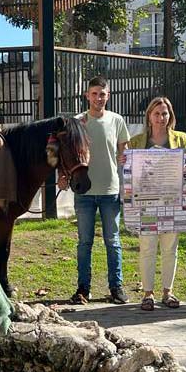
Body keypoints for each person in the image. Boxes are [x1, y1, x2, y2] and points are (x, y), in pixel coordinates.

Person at [65, 76, 129, 305]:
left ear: (108, 96)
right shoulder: (77, 122)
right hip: (84, 192)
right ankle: (83, 289)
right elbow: (68, 153)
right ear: (87, 96)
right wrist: (64, 178)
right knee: (85, 242)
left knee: (113, 241)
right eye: (94, 94)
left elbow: (125, 155)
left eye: (102, 94)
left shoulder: (117, 120)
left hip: (110, 190)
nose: (98, 98)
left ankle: (116, 287)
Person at [121, 96, 186, 311]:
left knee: (170, 249)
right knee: (147, 248)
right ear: (149, 116)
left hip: (172, 201)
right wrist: (124, 161)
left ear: (170, 116)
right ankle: (147, 293)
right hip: (146, 204)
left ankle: (168, 291)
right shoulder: (137, 141)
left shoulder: (180, 138)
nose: (161, 117)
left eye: (165, 113)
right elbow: (130, 173)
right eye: (157, 113)